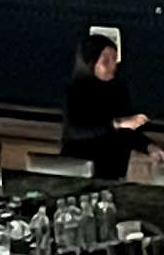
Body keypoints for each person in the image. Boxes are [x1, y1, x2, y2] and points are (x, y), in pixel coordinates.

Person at [60, 29, 157, 182]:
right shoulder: (75, 90)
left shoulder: (118, 90)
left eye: (114, 59)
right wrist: (115, 123)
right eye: (105, 61)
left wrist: (149, 146)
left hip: (113, 172)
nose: (113, 65)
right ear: (90, 62)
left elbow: (125, 132)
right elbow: (76, 130)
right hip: (79, 173)